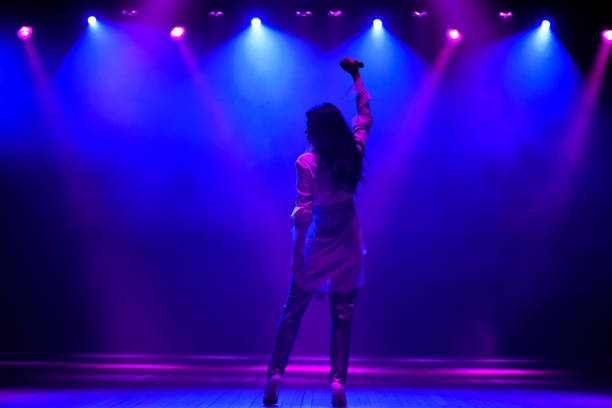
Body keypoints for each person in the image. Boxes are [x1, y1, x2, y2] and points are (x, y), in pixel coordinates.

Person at [264, 57, 373, 407]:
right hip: (349, 243)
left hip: (319, 242)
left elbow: (303, 214)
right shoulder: (353, 152)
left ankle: (275, 375)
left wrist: (296, 257)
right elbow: (365, 114)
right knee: (343, 316)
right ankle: (338, 383)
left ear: (315, 132)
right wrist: (356, 76)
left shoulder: (306, 162)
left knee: (292, 310)